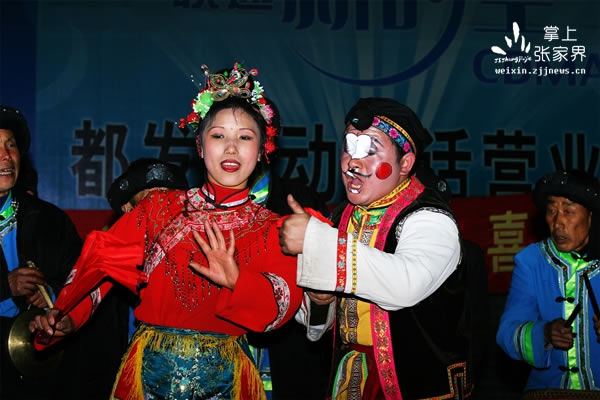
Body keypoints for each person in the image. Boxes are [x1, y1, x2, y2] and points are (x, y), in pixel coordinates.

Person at [29, 62, 302, 400]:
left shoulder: (272, 228)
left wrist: (237, 281)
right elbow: (102, 266)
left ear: (262, 150)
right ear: (200, 146)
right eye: (218, 136)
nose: (231, 148)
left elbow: (280, 310)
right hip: (149, 376)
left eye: (245, 137)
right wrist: (67, 317)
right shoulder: (158, 209)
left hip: (227, 382)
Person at [279, 98, 472, 399]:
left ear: (405, 164)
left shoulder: (430, 219)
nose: (353, 163)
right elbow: (315, 329)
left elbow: (405, 285)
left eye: (370, 150)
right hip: (350, 379)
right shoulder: (340, 218)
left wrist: (317, 240)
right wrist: (320, 301)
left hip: (417, 386)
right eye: (349, 147)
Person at [0, 105, 82, 399]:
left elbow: (80, 278)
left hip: (35, 364)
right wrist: (5, 286)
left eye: (11, 145)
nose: (6, 156)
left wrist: (51, 295)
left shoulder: (49, 219)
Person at [496, 170, 600, 394]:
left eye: (569, 212)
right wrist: (543, 333)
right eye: (552, 211)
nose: (558, 223)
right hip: (549, 391)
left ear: (591, 216)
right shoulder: (532, 261)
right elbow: (506, 333)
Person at [106, 157, 190, 338]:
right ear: (128, 209)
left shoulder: (200, 253)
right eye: (150, 201)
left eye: (170, 200)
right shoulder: (110, 268)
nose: (162, 209)